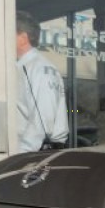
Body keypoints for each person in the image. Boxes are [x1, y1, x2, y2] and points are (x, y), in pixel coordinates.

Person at [15, 11, 68, 152]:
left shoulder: (40, 69)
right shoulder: (23, 66)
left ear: (23, 38)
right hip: (27, 151)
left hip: (34, 153)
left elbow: (43, 119)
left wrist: (19, 155)